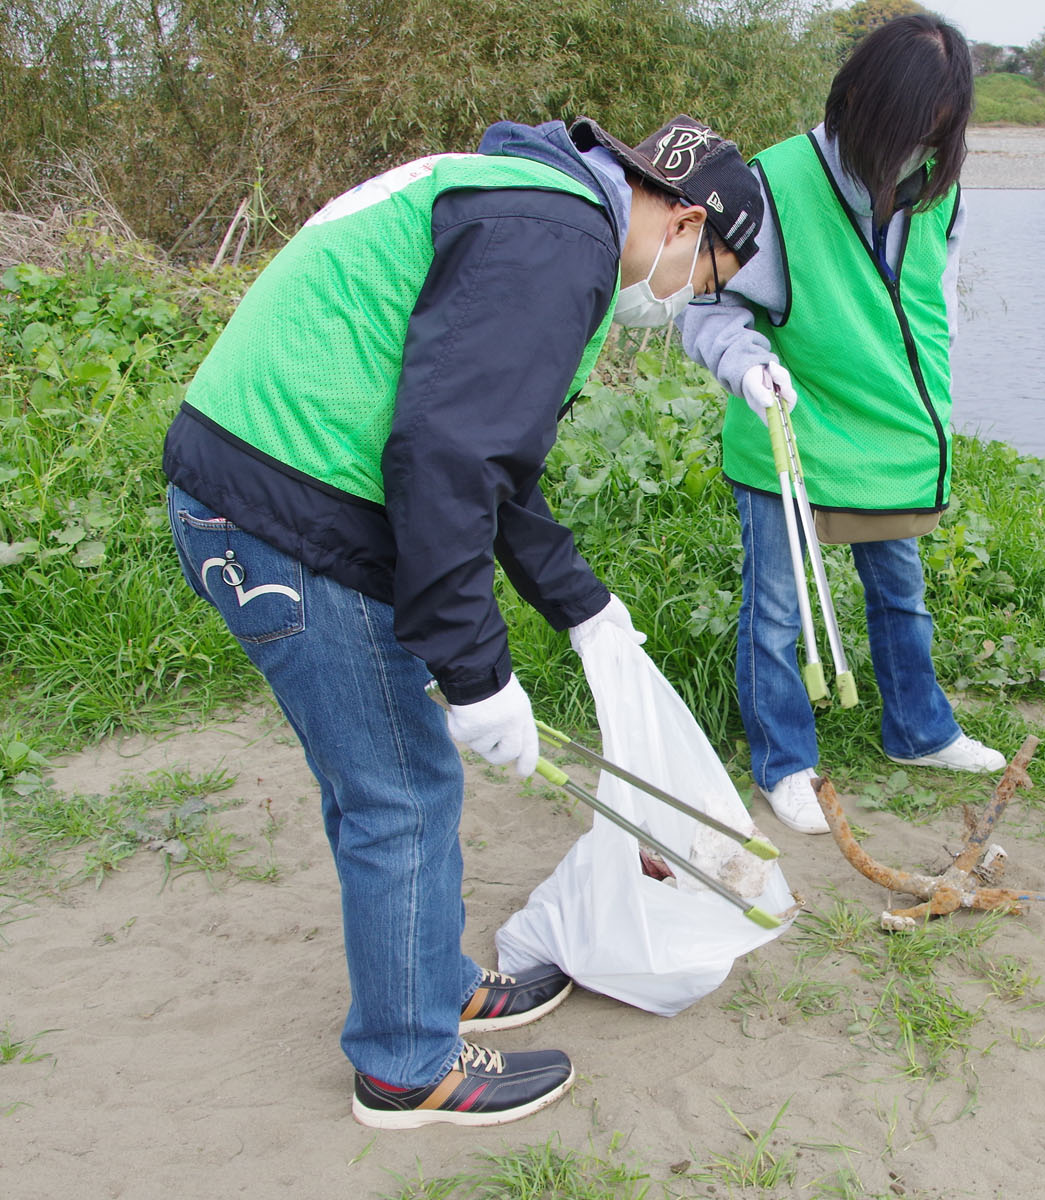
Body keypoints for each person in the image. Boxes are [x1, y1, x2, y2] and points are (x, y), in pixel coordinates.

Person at [162, 115, 764, 1127]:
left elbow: (495, 468)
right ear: (687, 220)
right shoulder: (558, 239)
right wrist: (478, 674)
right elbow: (445, 460)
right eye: (708, 275)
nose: (688, 298)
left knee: (396, 772)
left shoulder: (537, 204)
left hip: (274, 492)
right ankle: (406, 1065)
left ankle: (431, 982)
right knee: (398, 786)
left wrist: (586, 609)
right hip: (283, 512)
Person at [680, 14, 1004, 835]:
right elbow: (708, 307)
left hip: (894, 429)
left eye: (931, 136)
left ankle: (920, 731)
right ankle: (784, 764)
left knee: (902, 594)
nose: (911, 157)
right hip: (790, 426)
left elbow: (932, 305)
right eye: (899, 134)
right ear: (854, 99)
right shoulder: (775, 182)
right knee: (779, 612)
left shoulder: (940, 182)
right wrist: (749, 368)